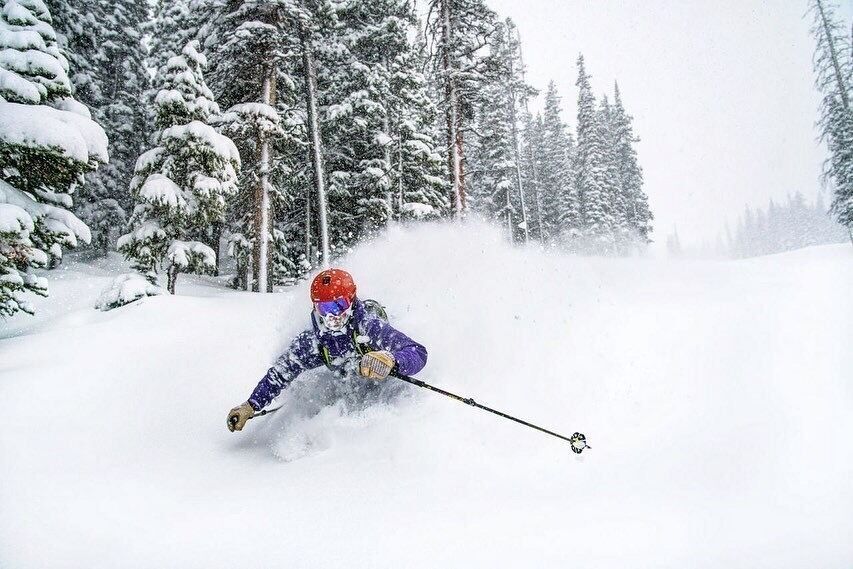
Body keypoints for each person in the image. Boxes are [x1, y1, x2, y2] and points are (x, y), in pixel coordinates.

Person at [227, 268, 428, 432]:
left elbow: (417, 352)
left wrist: (392, 360)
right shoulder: (314, 342)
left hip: (381, 382)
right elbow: (280, 374)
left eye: (339, 304)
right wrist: (251, 405)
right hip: (347, 380)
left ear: (351, 300)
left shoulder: (369, 327)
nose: (333, 315)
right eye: (325, 308)